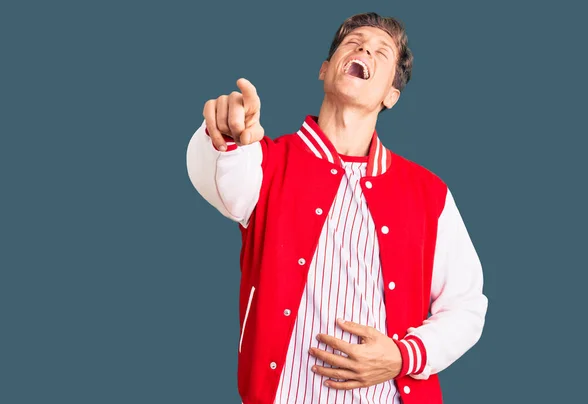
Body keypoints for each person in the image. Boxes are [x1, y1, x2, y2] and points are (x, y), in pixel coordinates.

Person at [186, 12, 487, 404]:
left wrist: (401, 356)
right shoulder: (263, 161)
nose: (365, 48)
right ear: (325, 70)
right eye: (354, 41)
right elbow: (217, 178)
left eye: (382, 51)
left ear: (390, 96)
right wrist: (225, 133)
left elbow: (466, 307)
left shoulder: (429, 193)